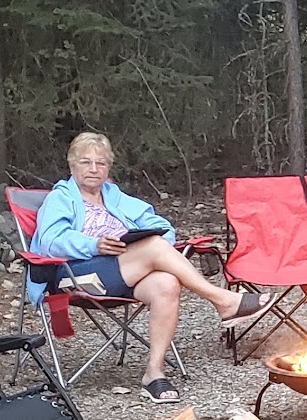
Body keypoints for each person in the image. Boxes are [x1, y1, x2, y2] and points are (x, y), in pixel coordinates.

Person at [30, 132, 261, 402]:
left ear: (108, 168)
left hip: (123, 272)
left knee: (166, 283)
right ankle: (223, 301)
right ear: (72, 165)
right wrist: (95, 245)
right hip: (77, 276)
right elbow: (51, 242)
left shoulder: (113, 196)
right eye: (85, 162)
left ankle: (154, 372)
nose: (93, 169)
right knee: (153, 246)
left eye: (101, 163)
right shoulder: (60, 198)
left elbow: (161, 226)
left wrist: (155, 246)